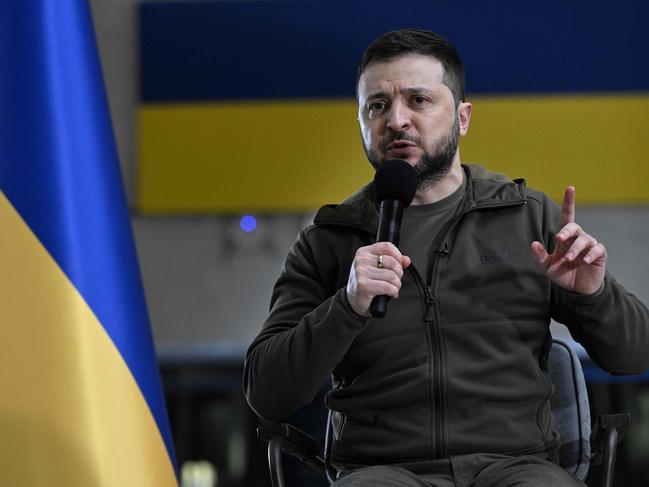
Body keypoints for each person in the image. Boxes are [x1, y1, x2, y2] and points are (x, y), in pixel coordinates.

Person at [243, 29, 649, 486]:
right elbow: (267, 394)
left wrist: (594, 295)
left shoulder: (527, 217)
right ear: (361, 122)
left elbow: (634, 355)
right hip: (383, 472)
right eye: (377, 106)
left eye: (418, 100)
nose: (396, 120)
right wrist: (347, 305)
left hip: (517, 468)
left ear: (462, 118)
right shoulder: (329, 240)